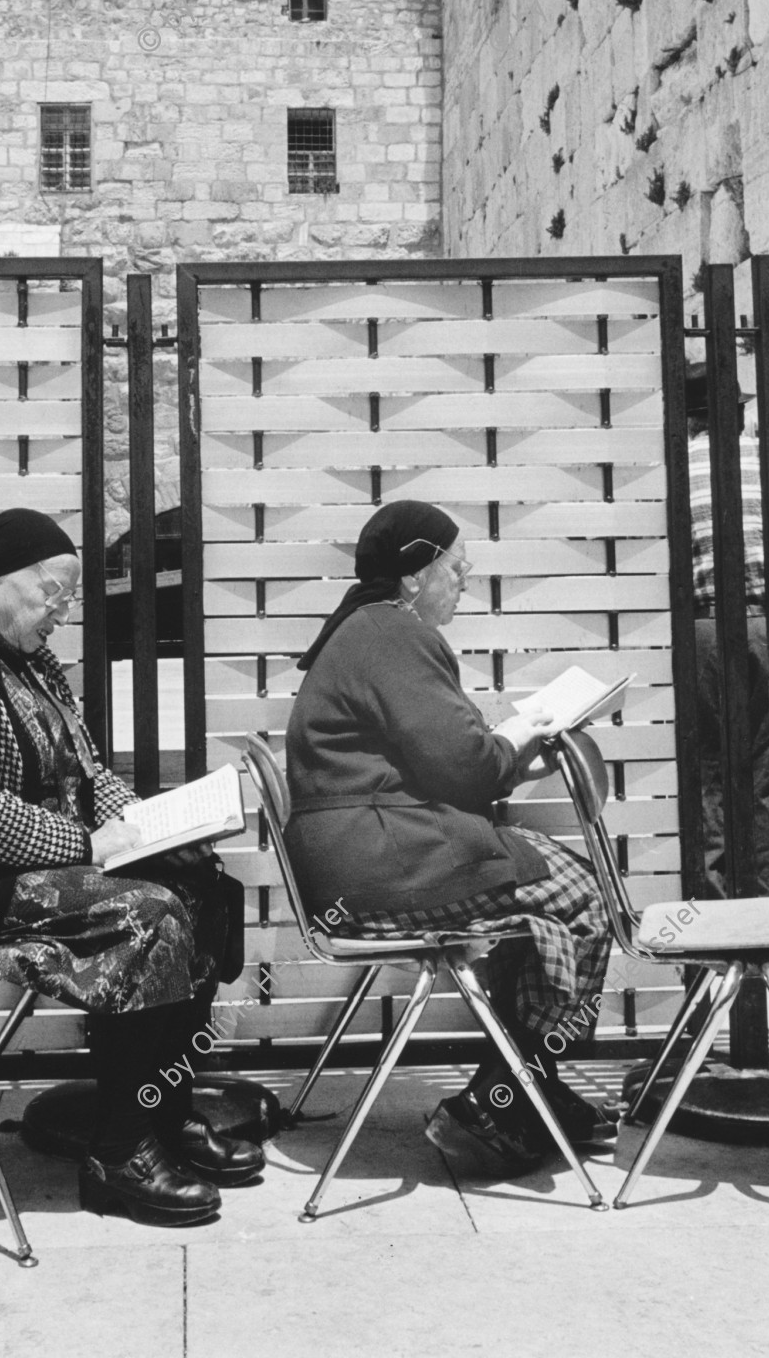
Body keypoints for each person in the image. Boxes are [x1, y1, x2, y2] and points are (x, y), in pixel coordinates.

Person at [0, 506, 263, 1227]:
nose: (64, 611)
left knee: (201, 884)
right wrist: (88, 847)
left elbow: (89, 772)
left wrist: (144, 827)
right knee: (145, 913)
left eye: (70, 596)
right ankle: (119, 1149)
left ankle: (158, 1111)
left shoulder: (32, 663)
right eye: (54, 592)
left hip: (14, 875)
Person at [284, 499, 616, 1179]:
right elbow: (466, 768)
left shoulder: (369, 630)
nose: (464, 578)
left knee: (538, 893)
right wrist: (522, 734)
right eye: (455, 567)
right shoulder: (392, 634)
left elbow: (447, 764)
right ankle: (504, 1099)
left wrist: (508, 753)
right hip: (377, 856)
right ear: (413, 576)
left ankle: (525, 1092)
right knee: (588, 893)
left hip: (364, 850)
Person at [685, 363, 769, 897]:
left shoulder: (676, 468)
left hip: (700, 628)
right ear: (738, 414)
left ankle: (715, 910)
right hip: (765, 624)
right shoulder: (765, 461)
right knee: (763, 773)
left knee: (709, 772)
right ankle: (768, 906)